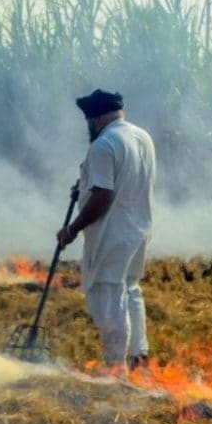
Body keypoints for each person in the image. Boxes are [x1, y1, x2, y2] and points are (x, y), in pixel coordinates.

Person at [56, 89, 156, 374]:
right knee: (130, 289)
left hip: (112, 234)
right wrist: (83, 187)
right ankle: (140, 355)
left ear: (95, 118)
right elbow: (118, 180)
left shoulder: (103, 144)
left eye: (88, 120)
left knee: (108, 296)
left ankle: (116, 370)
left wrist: (73, 229)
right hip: (138, 230)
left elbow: (103, 195)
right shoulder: (141, 137)